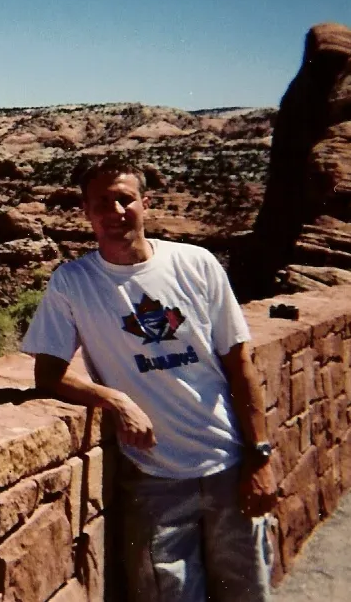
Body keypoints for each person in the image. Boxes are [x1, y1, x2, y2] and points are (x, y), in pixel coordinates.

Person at [22, 157, 278, 602]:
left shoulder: (196, 264)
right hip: (154, 476)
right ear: (86, 211)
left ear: (145, 203)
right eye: (102, 202)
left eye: (125, 199)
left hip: (229, 464)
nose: (115, 211)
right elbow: (49, 373)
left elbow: (241, 365)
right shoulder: (73, 283)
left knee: (247, 593)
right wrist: (117, 401)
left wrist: (260, 458)